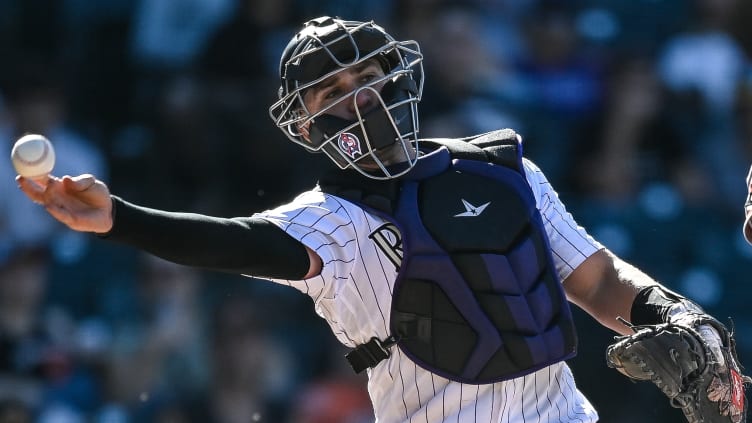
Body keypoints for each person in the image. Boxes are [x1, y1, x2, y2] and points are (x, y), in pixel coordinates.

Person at [14, 16, 747, 423]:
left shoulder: (502, 168)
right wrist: (120, 218)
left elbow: (596, 277)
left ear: (398, 74)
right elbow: (224, 241)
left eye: (366, 75)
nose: (357, 96)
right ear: (302, 125)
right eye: (330, 90)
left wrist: (673, 312)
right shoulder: (324, 223)